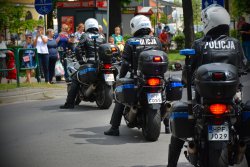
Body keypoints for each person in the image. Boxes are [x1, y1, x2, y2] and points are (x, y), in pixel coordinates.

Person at [167, 5, 248, 167]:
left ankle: (171, 165)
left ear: (209, 23)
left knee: (179, 126)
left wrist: (185, 78)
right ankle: (241, 148)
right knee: (245, 132)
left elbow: (188, 73)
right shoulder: (235, 43)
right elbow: (244, 67)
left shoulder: (199, 44)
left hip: (203, 99)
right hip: (230, 98)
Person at [104, 15, 162, 136]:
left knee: (119, 97)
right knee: (163, 94)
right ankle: (167, 125)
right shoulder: (157, 40)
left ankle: (114, 128)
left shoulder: (131, 42)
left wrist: (120, 77)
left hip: (138, 78)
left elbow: (125, 63)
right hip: (157, 77)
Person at [60, 18, 105, 109]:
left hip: (90, 62)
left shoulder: (85, 35)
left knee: (75, 78)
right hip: (101, 63)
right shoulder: (102, 36)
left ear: (87, 25)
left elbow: (77, 49)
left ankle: (69, 103)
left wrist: (80, 61)